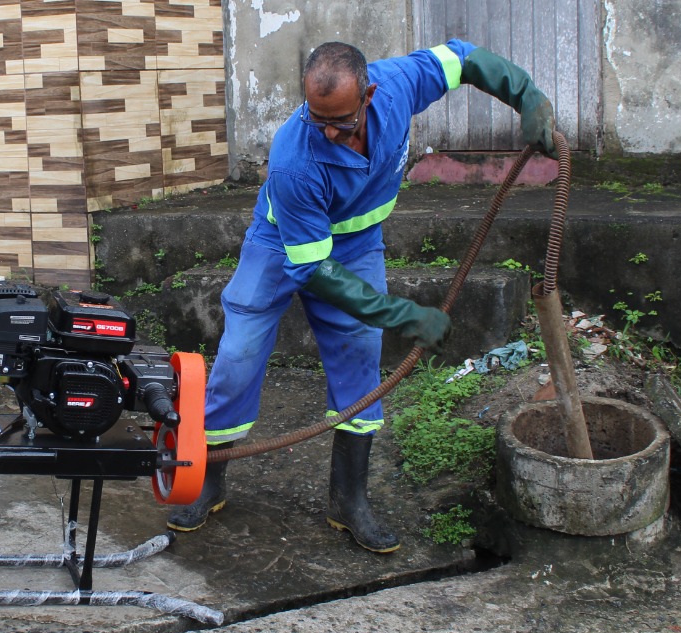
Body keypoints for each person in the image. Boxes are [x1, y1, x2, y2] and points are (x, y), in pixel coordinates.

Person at [167, 40, 556, 552]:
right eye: (318, 118)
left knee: (358, 356)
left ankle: (348, 500)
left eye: (342, 122)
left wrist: (527, 95)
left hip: (355, 246)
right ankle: (211, 479)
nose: (329, 132)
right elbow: (314, 272)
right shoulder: (294, 157)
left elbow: (465, 60)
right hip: (282, 244)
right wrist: (400, 313)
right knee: (238, 355)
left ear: (369, 95)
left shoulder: (398, 85)